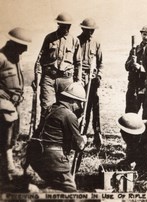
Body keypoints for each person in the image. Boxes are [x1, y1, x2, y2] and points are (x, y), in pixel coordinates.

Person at [27, 82, 87, 192]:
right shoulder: (69, 115)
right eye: (79, 103)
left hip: (35, 156)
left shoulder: (50, 109)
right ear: (73, 101)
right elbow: (79, 146)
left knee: (55, 184)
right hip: (54, 159)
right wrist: (84, 139)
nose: (80, 106)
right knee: (70, 191)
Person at [34, 12, 82, 123]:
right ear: (58, 24)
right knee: (47, 108)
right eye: (63, 25)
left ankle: (63, 136)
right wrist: (37, 77)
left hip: (66, 80)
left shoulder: (75, 41)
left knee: (67, 109)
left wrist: (79, 81)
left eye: (68, 26)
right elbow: (40, 59)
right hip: (49, 78)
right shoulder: (49, 38)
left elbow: (78, 63)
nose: (66, 28)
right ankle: (44, 136)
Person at [0, 27, 32, 183]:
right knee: (5, 137)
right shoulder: (1, 57)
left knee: (13, 136)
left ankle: (7, 166)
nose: (25, 49)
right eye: (22, 46)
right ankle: (8, 169)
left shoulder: (15, 57)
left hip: (15, 103)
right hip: (4, 105)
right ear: (14, 43)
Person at [77, 18, 103, 149]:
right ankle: (80, 134)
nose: (91, 33)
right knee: (80, 109)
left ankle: (97, 133)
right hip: (79, 80)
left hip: (92, 81)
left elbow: (101, 63)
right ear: (83, 29)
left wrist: (98, 76)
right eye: (88, 30)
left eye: (92, 30)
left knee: (94, 106)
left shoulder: (96, 43)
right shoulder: (76, 41)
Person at [125, 26, 147, 113]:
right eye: (144, 34)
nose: (146, 37)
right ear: (141, 34)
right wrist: (131, 62)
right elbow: (126, 67)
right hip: (134, 85)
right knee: (131, 112)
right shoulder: (135, 49)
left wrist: (140, 68)